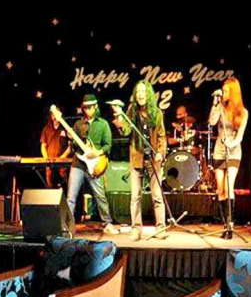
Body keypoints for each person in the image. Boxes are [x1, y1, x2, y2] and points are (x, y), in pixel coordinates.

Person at [112, 80, 167, 241]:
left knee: (157, 195)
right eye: (138, 92)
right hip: (137, 158)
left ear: (148, 94)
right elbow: (126, 131)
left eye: (143, 91)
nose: (140, 95)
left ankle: (161, 228)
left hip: (153, 159)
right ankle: (136, 229)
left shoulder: (157, 113)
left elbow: (162, 137)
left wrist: (160, 153)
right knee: (135, 196)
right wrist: (119, 117)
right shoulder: (132, 111)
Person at [67, 94, 119, 234]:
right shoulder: (78, 124)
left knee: (100, 195)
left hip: (94, 165)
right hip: (78, 163)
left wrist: (97, 153)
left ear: (96, 107)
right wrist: (71, 140)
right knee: (71, 196)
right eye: (85, 108)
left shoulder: (103, 124)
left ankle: (107, 223)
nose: (87, 110)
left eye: (90, 107)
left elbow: (108, 145)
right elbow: (74, 147)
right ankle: (67, 226)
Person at [208, 77, 248, 239]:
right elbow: (212, 122)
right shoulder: (220, 108)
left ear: (233, 93)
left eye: (225, 91)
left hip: (233, 151)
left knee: (228, 185)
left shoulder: (243, 112)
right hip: (219, 150)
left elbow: (240, 136)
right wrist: (215, 103)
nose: (223, 93)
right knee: (220, 189)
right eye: (223, 91)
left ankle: (231, 224)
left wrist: (231, 143)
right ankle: (225, 224)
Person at [40, 109, 71, 188]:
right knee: (50, 182)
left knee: (63, 182)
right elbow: (43, 146)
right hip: (50, 161)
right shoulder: (46, 129)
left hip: (62, 162)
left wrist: (63, 156)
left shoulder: (65, 128)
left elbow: (71, 146)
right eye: (53, 114)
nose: (54, 117)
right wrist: (46, 158)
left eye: (56, 114)